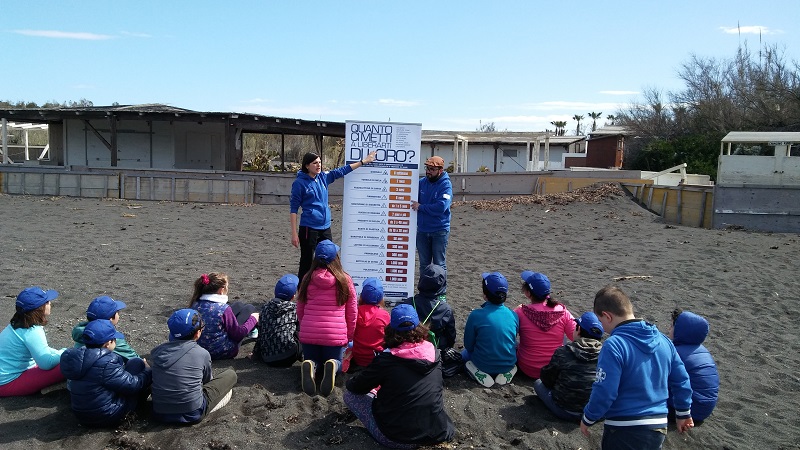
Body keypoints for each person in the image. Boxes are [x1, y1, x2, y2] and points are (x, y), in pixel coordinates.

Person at [581, 286, 694, 449]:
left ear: (607, 316)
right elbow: (681, 380)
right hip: (658, 426)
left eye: (600, 321)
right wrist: (683, 412)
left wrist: (588, 418)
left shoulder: (614, 344)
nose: (602, 327)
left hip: (624, 427)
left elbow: (605, 391)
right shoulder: (664, 340)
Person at [344, 304, 455, 448]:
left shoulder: (387, 359)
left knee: (349, 395)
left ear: (391, 329)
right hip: (435, 432)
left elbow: (355, 387)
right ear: (419, 326)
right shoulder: (434, 353)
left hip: (397, 438)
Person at [290, 150, 378, 282]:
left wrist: (363, 162)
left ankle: (325, 286)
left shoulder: (323, 177)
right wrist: (294, 234)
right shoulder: (299, 183)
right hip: (309, 228)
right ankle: (301, 290)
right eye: (315, 163)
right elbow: (293, 209)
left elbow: (342, 170)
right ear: (307, 165)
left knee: (330, 258)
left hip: (325, 227)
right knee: (307, 261)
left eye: (319, 162)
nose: (318, 165)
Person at [150, 308, 238, 424]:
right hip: (193, 413)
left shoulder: (157, 352)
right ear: (197, 333)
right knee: (230, 374)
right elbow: (207, 381)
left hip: (159, 413)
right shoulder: (201, 353)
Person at [60, 319, 152, 427]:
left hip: (81, 415)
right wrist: (147, 371)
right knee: (136, 363)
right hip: (107, 415)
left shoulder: (75, 358)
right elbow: (133, 384)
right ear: (108, 343)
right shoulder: (106, 363)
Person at [296, 239, 357, 396]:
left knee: (312, 359)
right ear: (335, 258)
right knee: (336, 363)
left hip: (310, 333)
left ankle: (311, 364)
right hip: (334, 335)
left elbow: (300, 308)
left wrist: (305, 327)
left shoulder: (307, 278)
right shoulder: (344, 280)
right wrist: (349, 335)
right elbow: (352, 311)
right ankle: (333, 365)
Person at [534, 312, 604, 422]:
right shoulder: (607, 355)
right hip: (595, 413)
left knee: (538, 383)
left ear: (579, 330)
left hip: (566, 410)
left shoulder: (564, 352)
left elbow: (547, 380)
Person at [0, 286, 66, 396]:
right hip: (7, 383)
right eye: (47, 302)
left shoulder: (16, 324)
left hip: (6, 375)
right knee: (69, 364)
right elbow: (46, 363)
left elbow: (42, 349)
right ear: (39, 308)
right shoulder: (32, 331)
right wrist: (65, 352)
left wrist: (58, 352)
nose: (50, 304)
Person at [515, 270, 575, 379]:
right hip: (553, 369)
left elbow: (509, 331)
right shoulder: (561, 311)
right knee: (563, 339)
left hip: (527, 367)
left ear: (528, 293)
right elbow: (574, 335)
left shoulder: (521, 312)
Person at [462, 272, 519, 388]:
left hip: (482, 364)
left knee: (464, 355)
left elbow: (468, 345)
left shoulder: (476, 315)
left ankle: (478, 372)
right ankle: (507, 371)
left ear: (485, 295)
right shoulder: (513, 315)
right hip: (508, 363)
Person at [189, 272, 259, 360]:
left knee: (239, 305)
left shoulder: (195, 304)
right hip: (220, 352)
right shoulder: (223, 309)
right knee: (249, 308)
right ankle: (254, 331)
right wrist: (254, 319)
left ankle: (253, 330)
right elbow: (238, 334)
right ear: (221, 290)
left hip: (198, 348)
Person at [668, 308, 719, 425]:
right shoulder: (704, 352)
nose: (669, 329)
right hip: (705, 409)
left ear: (681, 331)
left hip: (689, 410)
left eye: (672, 326)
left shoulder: (676, 353)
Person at [411, 156, 452, 276]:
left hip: (439, 230)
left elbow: (441, 207)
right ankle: (425, 291)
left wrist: (421, 207)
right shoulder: (422, 183)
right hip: (423, 230)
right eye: (427, 168)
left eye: (432, 169)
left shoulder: (446, 185)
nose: (428, 171)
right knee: (424, 264)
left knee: (439, 263)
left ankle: (441, 294)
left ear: (440, 170)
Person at [252, 274, 303, 367]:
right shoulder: (294, 309)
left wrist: (256, 353)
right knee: (301, 328)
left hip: (267, 357)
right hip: (288, 355)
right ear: (293, 296)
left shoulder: (265, 307)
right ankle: (304, 356)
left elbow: (261, 332)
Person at [402, 263, 456, 350]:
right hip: (433, 351)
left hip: (410, 346)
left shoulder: (408, 303)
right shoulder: (445, 309)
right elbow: (451, 336)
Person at [71, 295, 140, 362]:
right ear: (110, 319)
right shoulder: (111, 339)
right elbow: (134, 358)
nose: (119, 314)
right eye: (117, 312)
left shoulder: (81, 331)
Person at [351, 278, 391, 368]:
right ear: (381, 297)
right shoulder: (384, 315)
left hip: (358, 358)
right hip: (377, 358)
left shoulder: (355, 312)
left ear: (362, 295)